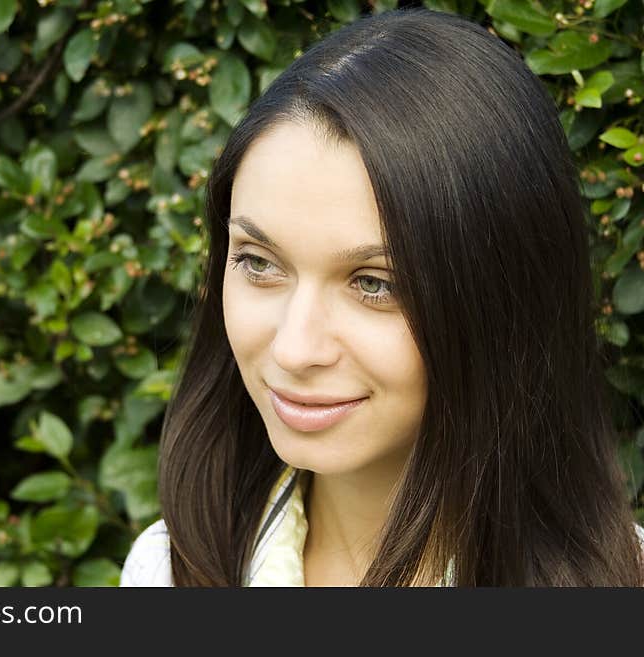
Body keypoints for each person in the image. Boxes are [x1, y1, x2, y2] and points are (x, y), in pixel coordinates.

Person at [119, 7, 644, 586]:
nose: (295, 350)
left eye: (375, 283)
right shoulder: (169, 569)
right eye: (259, 263)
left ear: (501, 299)